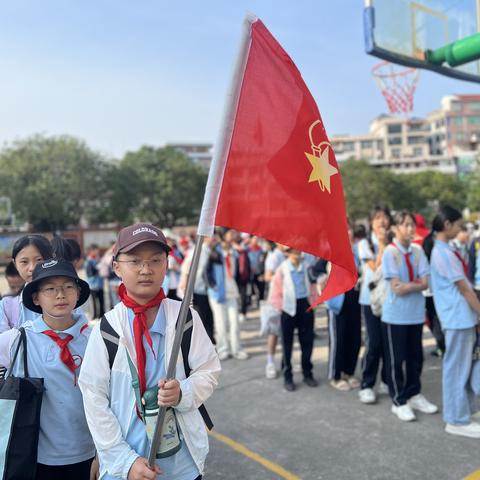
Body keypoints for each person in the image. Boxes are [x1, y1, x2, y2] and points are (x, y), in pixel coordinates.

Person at [79, 223, 221, 480]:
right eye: (134, 261)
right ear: (116, 267)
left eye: (155, 260)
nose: (146, 269)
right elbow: (94, 398)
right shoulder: (108, 328)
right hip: (127, 465)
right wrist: (124, 460)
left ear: (167, 264)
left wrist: (183, 392)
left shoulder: (184, 318)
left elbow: (209, 371)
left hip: (182, 465)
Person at [0, 258, 96, 479]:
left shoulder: (95, 339)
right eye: (50, 289)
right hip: (36, 454)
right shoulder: (19, 340)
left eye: (68, 287)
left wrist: (103, 452)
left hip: (89, 452)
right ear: (36, 297)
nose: (60, 295)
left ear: (78, 293)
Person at [427, 206, 480, 438]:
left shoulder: (445, 250)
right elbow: (464, 289)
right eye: (458, 225)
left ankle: (463, 413)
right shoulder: (443, 253)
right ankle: (456, 419)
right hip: (458, 318)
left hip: (460, 317)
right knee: (457, 369)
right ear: (447, 225)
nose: (460, 229)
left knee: (462, 368)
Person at [381, 211, 438, 422]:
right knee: (396, 360)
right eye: (405, 225)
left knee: (415, 358)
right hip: (395, 315)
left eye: (412, 225)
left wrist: (409, 286)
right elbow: (396, 288)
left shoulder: (417, 251)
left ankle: (414, 393)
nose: (410, 229)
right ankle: (399, 400)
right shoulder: (390, 252)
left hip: (415, 314)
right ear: (396, 228)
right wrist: (415, 285)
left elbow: (426, 281)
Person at [270, 248, 318, 392]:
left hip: (305, 305)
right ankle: (288, 376)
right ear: (287, 252)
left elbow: (313, 286)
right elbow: (275, 292)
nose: (296, 252)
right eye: (293, 250)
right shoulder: (282, 270)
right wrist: (281, 308)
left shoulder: (307, 267)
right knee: (287, 344)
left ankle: (307, 373)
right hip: (288, 308)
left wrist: (313, 303)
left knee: (307, 341)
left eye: (298, 249)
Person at [358, 206, 392, 404]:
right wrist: (381, 244)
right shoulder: (364, 243)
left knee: (388, 342)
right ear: (371, 222)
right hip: (369, 300)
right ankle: (367, 384)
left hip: (389, 299)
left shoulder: (392, 241)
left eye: (385, 217)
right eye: (378, 218)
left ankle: (387, 381)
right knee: (374, 343)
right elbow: (376, 266)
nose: (382, 222)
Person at [323, 221, 362, 392]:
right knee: (338, 339)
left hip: (354, 299)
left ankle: (348, 372)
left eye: (349, 230)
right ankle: (335, 375)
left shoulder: (356, 254)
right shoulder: (328, 253)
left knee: (353, 338)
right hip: (337, 302)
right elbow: (316, 273)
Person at [206, 230, 249, 361]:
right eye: (230, 234)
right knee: (221, 323)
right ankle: (223, 349)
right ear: (223, 237)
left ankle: (237, 349)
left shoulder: (236, 253)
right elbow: (206, 273)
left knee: (234, 322)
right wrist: (213, 287)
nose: (234, 236)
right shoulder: (214, 253)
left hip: (232, 292)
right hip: (218, 294)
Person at [0, 234, 53, 333]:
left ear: (51, 260)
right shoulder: (6, 307)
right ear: (15, 264)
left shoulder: (66, 299)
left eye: (39, 260)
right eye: (24, 262)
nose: (32, 268)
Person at [263, 242, 287, 379]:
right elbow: (267, 276)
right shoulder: (274, 256)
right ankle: (270, 363)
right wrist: (284, 276)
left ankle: (286, 362)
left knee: (286, 333)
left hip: (287, 299)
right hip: (275, 299)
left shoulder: (287, 255)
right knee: (274, 332)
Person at [85, 244, 105, 319]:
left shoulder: (99, 259)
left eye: (97, 250)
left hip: (100, 284)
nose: (97, 252)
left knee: (101, 301)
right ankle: (94, 315)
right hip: (92, 285)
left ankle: (101, 315)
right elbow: (89, 273)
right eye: (95, 250)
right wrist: (97, 268)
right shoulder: (88, 261)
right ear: (91, 251)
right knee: (93, 302)